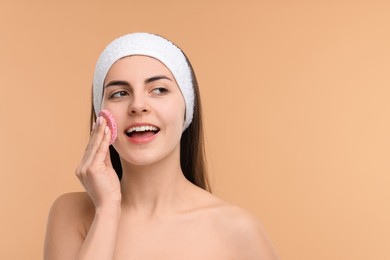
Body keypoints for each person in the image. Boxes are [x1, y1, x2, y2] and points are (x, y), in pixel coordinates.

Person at [44, 32, 278, 260]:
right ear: (101, 115)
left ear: (187, 107)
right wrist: (107, 210)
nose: (137, 105)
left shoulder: (237, 231)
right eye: (119, 93)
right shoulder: (71, 214)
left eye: (159, 90)